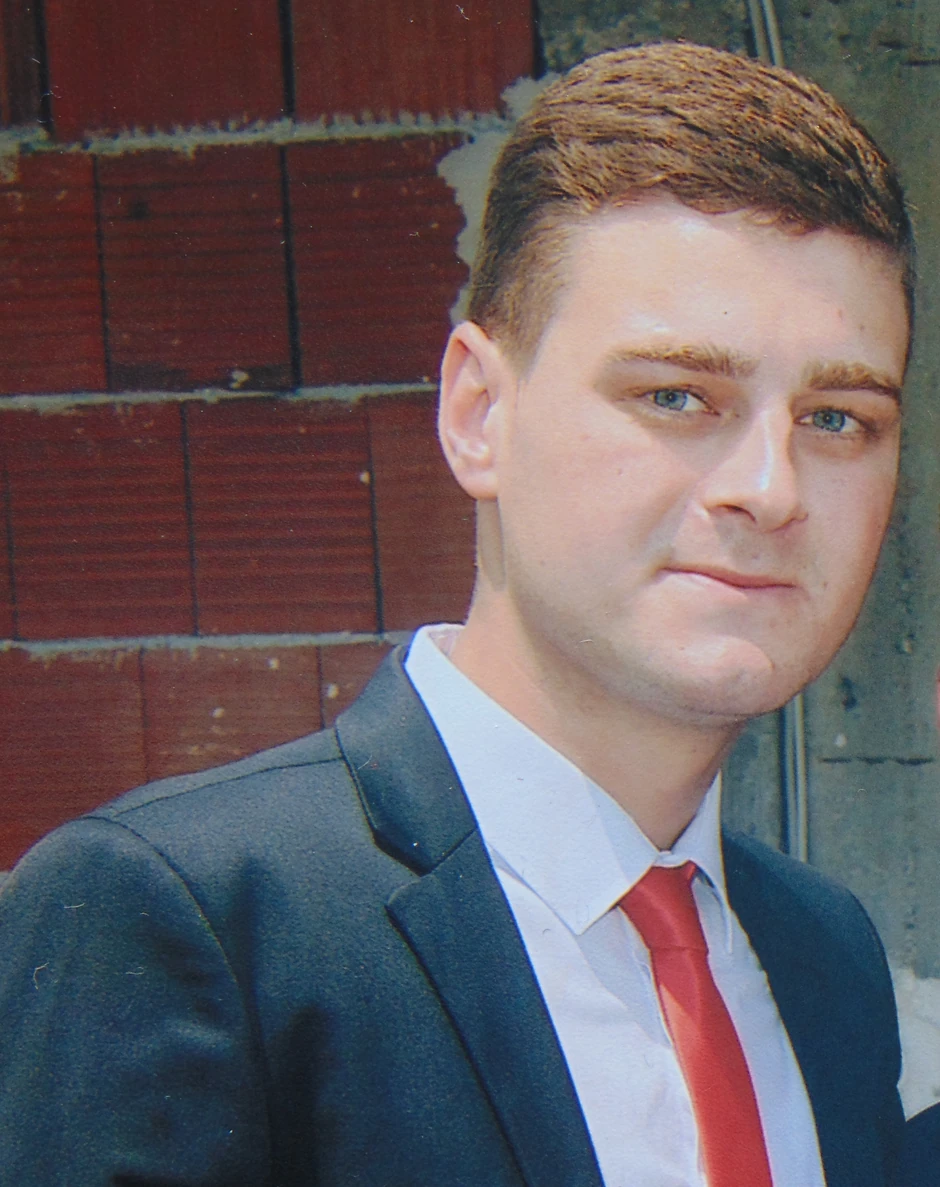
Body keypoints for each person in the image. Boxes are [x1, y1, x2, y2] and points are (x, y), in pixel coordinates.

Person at [0, 41, 914, 1187]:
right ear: (478, 411)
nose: (769, 489)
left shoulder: (823, 953)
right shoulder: (192, 919)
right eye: (677, 394)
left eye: (837, 417)